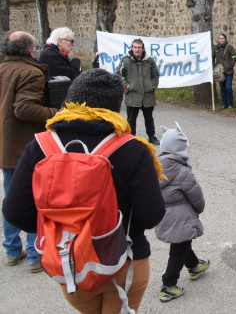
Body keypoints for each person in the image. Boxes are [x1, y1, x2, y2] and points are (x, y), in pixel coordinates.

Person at [3, 69, 165, 312]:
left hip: (70, 262)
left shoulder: (40, 145)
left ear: (70, 99)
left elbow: (15, 212)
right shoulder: (133, 148)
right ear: (115, 106)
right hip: (124, 259)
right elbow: (151, 214)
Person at [0, 31, 57, 273]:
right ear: (30, 51)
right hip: (25, 148)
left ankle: (13, 251)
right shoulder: (31, 71)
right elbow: (24, 109)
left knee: (11, 197)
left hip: (6, 145)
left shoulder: (3, 69)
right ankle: (35, 254)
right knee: (35, 199)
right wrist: (57, 113)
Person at [154, 123, 209, 302]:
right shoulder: (182, 171)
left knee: (182, 242)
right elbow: (196, 195)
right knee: (179, 248)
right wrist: (199, 210)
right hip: (181, 214)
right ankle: (168, 285)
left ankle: (194, 266)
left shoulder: (156, 166)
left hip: (163, 213)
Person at [117, 38, 160, 145]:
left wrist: (152, 87)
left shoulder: (149, 60)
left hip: (147, 95)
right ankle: (131, 137)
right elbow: (119, 74)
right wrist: (126, 85)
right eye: (135, 47)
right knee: (131, 118)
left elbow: (155, 75)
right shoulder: (125, 60)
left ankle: (151, 136)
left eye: (139, 47)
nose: (137, 49)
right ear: (132, 48)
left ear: (143, 49)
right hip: (132, 94)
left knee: (149, 118)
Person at [213, 34, 236, 109]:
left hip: (228, 72)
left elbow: (234, 57)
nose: (221, 39)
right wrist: (214, 66)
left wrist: (230, 66)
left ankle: (230, 104)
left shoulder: (229, 47)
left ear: (225, 39)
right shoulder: (215, 48)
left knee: (228, 87)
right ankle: (224, 104)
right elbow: (212, 57)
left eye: (222, 38)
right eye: (220, 38)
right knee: (222, 88)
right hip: (220, 72)